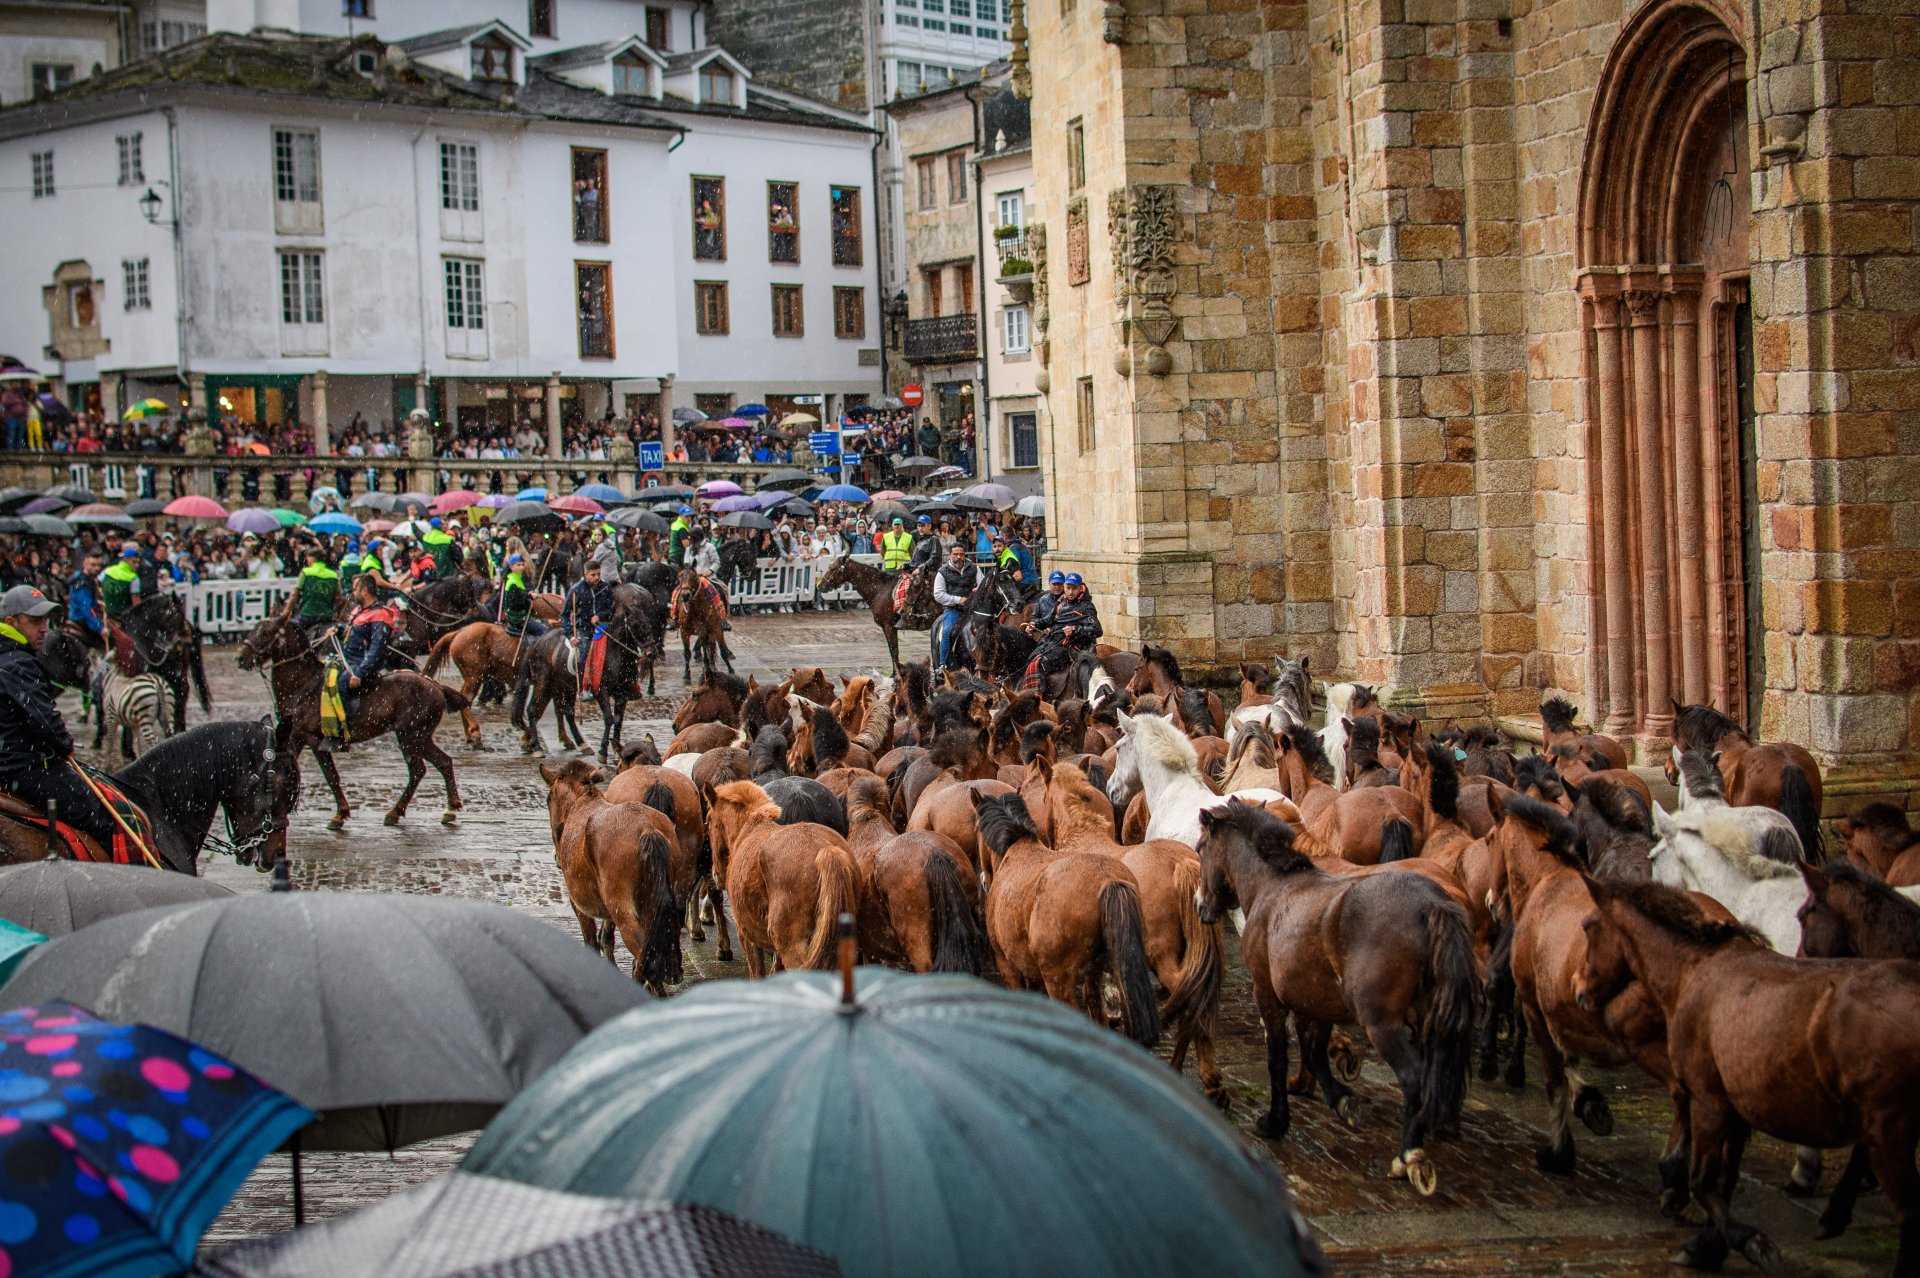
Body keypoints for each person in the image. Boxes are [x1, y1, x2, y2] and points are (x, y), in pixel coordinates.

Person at [0, 585, 117, 852]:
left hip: (7, 765)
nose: (44, 628)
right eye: (34, 621)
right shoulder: (18, 662)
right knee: (103, 817)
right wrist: (64, 745)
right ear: (10, 622)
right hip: (26, 768)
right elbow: (45, 722)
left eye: (45, 620)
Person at [1031, 571, 1101, 679]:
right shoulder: (1062, 602)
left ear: (1080, 588)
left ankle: (1040, 694)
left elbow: (1097, 630)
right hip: (1053, 642)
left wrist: (1075, 629)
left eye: (1074, 588)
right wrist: (1035, 624)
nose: (1071, 592)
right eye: (1068, 588)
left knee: (1043, 663)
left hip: (1072, 646)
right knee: (1032, 658)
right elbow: (1050, 619)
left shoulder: (1087, 607)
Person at [932, 541, 978, 672]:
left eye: (961, 554)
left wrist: (978, 590)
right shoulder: (942, 572)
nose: (959, 557)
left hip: (973, 609)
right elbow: (938, 594)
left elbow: (982, 584)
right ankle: (943, 664)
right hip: (953, 610)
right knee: (947, 632)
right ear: (950, 555)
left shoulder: (974, 568)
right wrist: (958, 600)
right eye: (955, 554)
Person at [560, 557, 613, 666]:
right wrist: (570, 635)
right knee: (584, 655)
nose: (597, 577)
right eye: (593, 575)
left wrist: (599, 616)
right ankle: (583, 677)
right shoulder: (576, 590)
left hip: (604, 626)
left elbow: (611, 608)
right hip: (583, 629)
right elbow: (564, 615)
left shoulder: (606, 587)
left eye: (599, 574)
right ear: (586, 574)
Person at [294, 546, 339, 636]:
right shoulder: (333, 575)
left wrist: (289, 610)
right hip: (326, 617)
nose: (307, 560)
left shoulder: (306, 572)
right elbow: (338, 598)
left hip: (307, 616)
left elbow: (295, 595)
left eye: (307, 558)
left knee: (295, 637)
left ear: (312, 558)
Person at [501, 554, 547, 639]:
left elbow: (522, 596)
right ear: (511, 567)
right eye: (518, 565)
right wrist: (529, 597)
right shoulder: (512, 582)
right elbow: (514, 604)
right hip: (517, 618)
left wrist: (529, 594)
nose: (521, 567)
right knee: (544, 631)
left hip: (522, 615)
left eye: (522, 564)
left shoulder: (519, 579)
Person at [67, 553, 105, 651]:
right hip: (81, 620)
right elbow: (85, 610)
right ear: (85, 564)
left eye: (98, 565)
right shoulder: (82, 584)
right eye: (93, 565)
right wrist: (100, 629)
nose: (96, 568)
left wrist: (97, 603)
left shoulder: (86, 579)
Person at [98, 545, 143, 620]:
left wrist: (102, 596)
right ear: (125, 559)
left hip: (105, 614)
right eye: (134, 562)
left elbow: (96, 583)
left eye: (138, 562)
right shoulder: (134, 578)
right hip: (123, 618)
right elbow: (137, 605)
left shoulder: (109, 570)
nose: (137, 565)